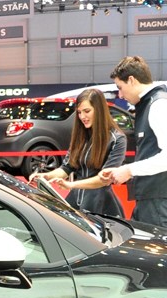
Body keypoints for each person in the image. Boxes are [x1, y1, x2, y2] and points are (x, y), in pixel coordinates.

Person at [99, 55, 167, 232]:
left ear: (131, 80)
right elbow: (152, 152)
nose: (120, 95)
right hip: (152, 200)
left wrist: (129, 170)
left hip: (158, 203)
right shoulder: (150, 104)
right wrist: (123, 170)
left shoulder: (159, 105)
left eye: (120, 88)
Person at [31, 88, 126, 218]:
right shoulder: (80, 136)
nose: (82, 117)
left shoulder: (117, 139)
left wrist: (72, 184)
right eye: (79, 112)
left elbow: (104, 180)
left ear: (99, 110)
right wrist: (45, 176)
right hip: (75, 201)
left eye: (87, 111)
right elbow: (66, 168)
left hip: (101, 205)